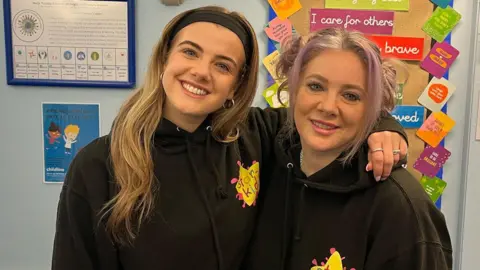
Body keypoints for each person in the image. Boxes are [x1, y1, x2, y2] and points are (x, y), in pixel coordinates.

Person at [51, 7, 409, 270]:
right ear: (164, 59)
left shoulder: (255, 135)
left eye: (223, 65)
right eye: (190, 52)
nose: (201, 72)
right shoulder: (99, 165)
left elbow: (324, 110)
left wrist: (386, 128)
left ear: (237, 85)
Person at [242, 28, 452, 270]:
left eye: (351, 96)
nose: (329, 107)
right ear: (294, 88)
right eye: (315, 86)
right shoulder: (267, 160)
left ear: (373, 109)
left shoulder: (400, 207)